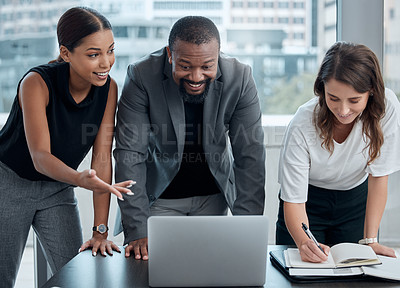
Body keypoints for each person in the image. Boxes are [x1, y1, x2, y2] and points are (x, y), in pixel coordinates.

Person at [0, 7, 134, 287]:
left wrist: (100, 231)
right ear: (65, 53)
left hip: (57, 189)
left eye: (110, 50)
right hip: (9, 185)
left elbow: (101, 157)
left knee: (76, 275)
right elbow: (40, 156)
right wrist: (78, 179)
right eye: (93, 54)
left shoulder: (109, 89)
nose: (106, 63)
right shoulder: (35, 83)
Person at [114, 16, 266, 260]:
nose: (196, 77)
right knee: (149, 275)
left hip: (213, 199)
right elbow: (130, 155)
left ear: (218, 55)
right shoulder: (142, 75)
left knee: (210, 273)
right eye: (185, 66)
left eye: (207, 66)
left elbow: (250, 156)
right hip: (158, 200)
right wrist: (137, 228)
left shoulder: (240, 77)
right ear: (170, 55)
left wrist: (247, 227)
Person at [276, 41, 400, 263]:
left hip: (355, 202)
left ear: (371, 91)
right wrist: (304, 242)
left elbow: (379, 176)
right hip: (307, 203)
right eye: (333, 98)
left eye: (354, 100)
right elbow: (294, 199)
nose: (343, 111)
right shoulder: (302, 123)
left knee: (353, 274)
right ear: (322, 88)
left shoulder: (386, 107)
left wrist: (370, 239)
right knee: (303, 270)